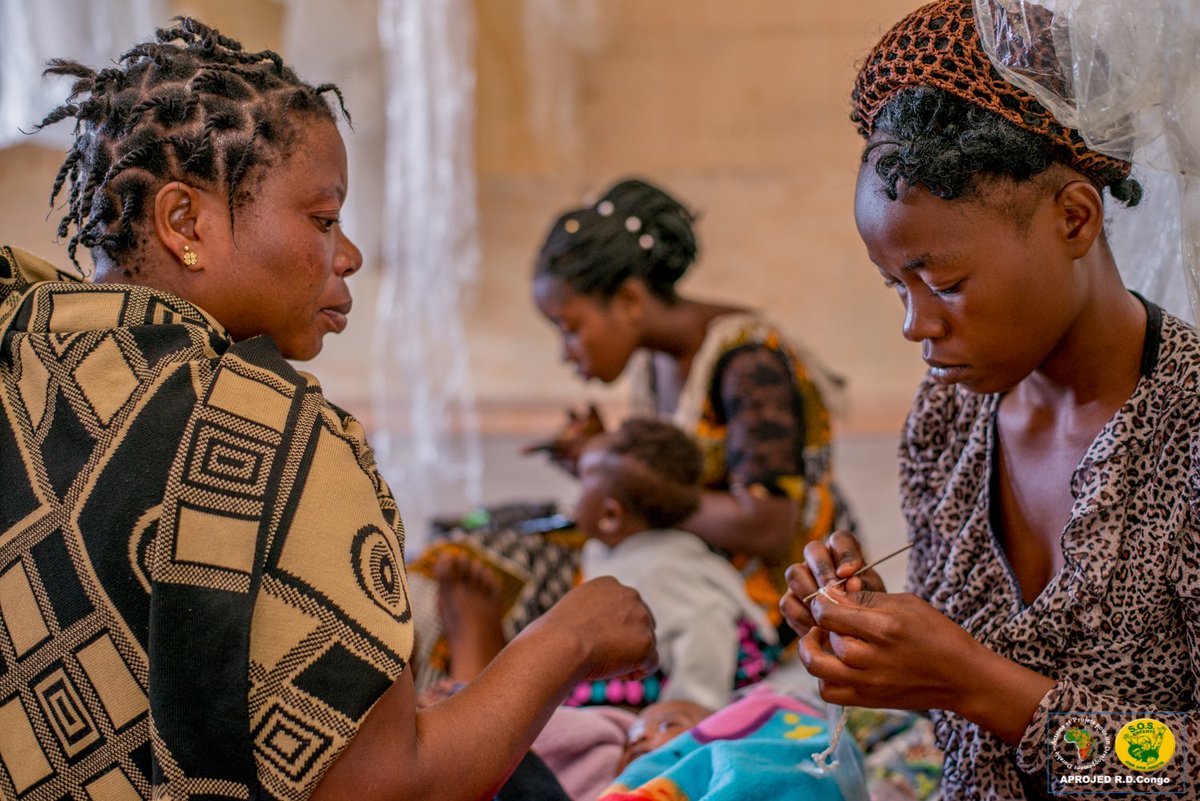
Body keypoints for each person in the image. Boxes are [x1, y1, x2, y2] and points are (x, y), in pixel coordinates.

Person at [0, 19, 656, 801]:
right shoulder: (264, 434)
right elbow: (386, 785)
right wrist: (572, 636)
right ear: (185, 223)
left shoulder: (24, 350)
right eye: (322, 219)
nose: (348, 255)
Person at [778, 1, 1198, 799]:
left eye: (946, 285)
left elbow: (1189, 766)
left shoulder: (1188, 432)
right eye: (894, 288)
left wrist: (974, 683)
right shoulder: (949, 420)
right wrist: (876, 633)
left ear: (1074, 218)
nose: (915, 324)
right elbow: (961, 736)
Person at [532, 176, 856, 630]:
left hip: (779, 600)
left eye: (571, 328)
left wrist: (622, 476)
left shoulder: (748, 361)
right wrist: (600, 458)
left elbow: (768, 525)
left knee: (532, 586)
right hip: (697, 567)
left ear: (628, 300)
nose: (566, 352)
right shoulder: (654, 364)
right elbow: (675, 473)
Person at [567, 418, 780, 710]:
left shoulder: (662, 569)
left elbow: (708, 631)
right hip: (656, 670)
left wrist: (687, 710)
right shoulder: (607, 547)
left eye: (581, 482)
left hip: (709, 684)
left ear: (611, 515)